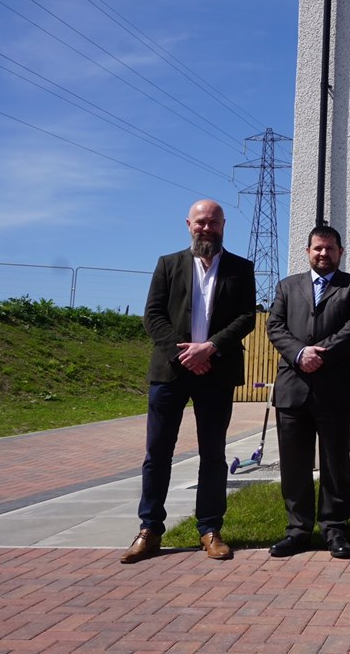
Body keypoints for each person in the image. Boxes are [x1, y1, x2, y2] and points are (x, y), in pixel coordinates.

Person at [120, 199, 256, 564]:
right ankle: (149, 530)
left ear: (224, 225)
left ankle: (210, 529)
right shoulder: (168, 264)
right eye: (200, 222)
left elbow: (247, 317)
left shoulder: (241, 268)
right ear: (188, 224)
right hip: (171, 372)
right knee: (157, 453)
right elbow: (153, 315)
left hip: (217, 371)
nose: (206, 228)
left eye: (213, 222)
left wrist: (210, 348)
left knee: (213, 454)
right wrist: (184, 353)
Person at [265, 225, 350, 560]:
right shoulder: (287, 286)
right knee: (294, 464)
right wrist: (299, 353)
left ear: (341, 252)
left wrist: (319, 354)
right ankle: (297, 531)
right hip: (292, 388)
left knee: (335, 463)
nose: (323, 254)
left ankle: (335, 529)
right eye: (318, 248)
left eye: (330, 248)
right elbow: (274, 326)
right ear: (308, 251)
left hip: (335, 389)